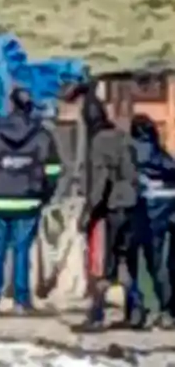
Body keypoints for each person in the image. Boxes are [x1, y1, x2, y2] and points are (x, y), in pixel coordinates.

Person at [0, 87, 62, 315]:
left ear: (11, 105)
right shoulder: (42, 136)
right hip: (28, 202)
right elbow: (53, 170)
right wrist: (44, 195)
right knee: (21, 251)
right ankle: (21, 301)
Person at [72, 97, 142, 332]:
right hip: (133, 205)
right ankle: (135, 312)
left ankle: (97, 314)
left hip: (112, 207)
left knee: (104, 264)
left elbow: (100, 181)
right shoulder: (124, 137)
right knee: (126, 260)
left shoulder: (99, 142)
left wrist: (88, 212)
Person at [132, 115, 175, 329]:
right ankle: (167, 309)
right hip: (167, 215)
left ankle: (147, 309)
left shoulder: (131, 155)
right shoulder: (164, 157)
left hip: (143, 217)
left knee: (142, 266)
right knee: (165, 265)